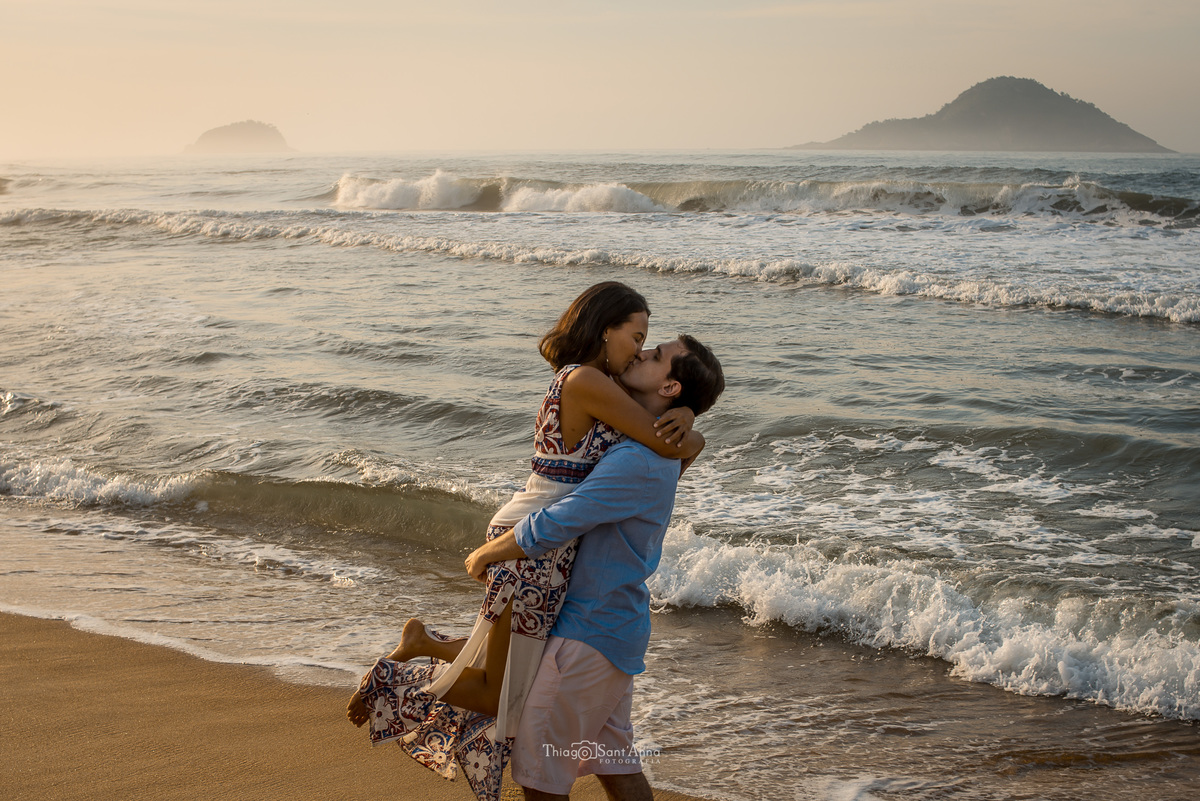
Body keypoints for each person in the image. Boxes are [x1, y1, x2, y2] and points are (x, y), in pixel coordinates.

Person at [346, 282, 709, 801]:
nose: (639, 350)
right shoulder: (584, 380)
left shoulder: (601, 395)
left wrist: (689, 418)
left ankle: (413, 656)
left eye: (648, 346)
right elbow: (661, 443)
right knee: (505, 688)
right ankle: (397, 673)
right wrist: (691, 426)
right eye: (638, 337)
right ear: (604, 331)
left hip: (539, 543)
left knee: (510, 677)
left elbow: (660, 449)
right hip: (533, 541)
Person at [467, 335, 725, 800]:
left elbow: (567, 517)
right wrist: (688, 418)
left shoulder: (639, 458)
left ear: (669, 388)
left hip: (586, 634)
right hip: (614, 628)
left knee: (540, 776)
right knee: (615, 764)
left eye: (656, 355)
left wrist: (489, 552)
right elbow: (687, 446)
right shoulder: (654, 446)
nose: (643, 353)